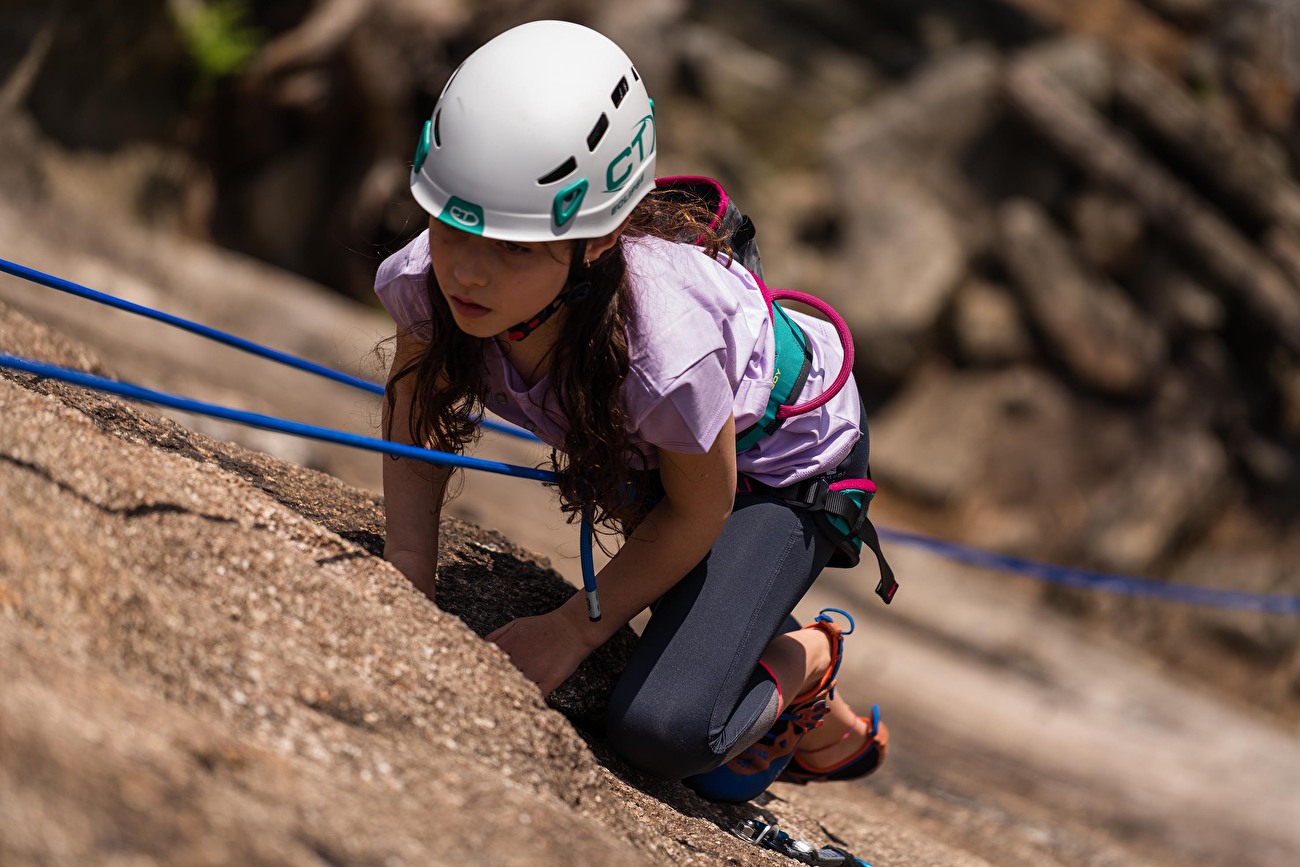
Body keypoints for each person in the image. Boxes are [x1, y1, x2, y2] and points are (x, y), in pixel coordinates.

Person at [375, 19, 888, 802]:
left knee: (669, 732)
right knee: (713, 750)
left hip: (780, 466)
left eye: (516, 247)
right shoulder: (433, 278)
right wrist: (406, 573)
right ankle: (749, 645)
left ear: (599, 239)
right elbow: (413, 399)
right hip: (665, 452)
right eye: (452, 226)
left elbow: (697, 511)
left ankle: (807, 660)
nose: (468, 272)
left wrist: (570, 629)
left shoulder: (662, 354)